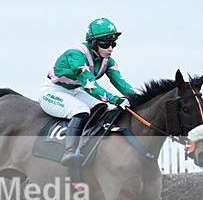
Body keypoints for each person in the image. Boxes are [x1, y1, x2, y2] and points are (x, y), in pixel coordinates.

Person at [39, 18, 135, 167]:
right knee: (80, 110)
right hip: (53, 91)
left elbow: (120, 83)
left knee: (104, 108)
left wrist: (136, 98)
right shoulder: (76, 55)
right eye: (105, 43)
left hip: (75, 91)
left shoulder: (107, 61)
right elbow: (90, 86)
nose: (110, 48)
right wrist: (115, 99)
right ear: (93, 43)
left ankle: (90, 145)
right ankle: (69, 151)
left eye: (113, 44)